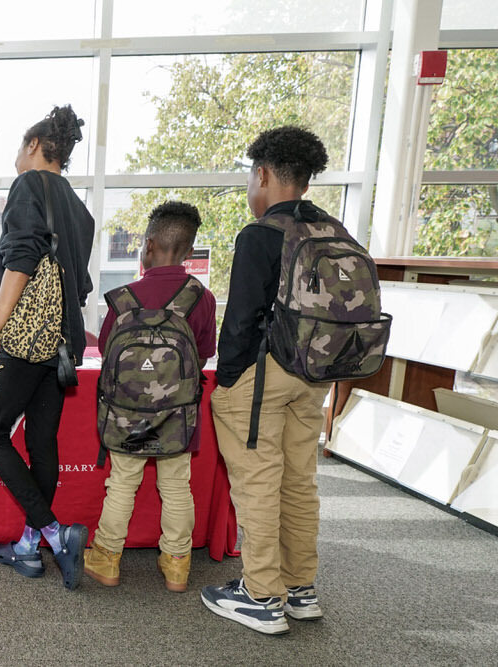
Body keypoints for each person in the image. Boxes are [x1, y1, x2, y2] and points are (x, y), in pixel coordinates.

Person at [201, 126, 332, 635]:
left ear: (262, 174)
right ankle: (300, 588)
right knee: (299, 481)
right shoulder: (332, 230)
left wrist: (228, 379)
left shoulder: (261, 234)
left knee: (257, 482)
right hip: (314, 373)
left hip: (262, 377)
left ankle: (260, 596)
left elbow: (240, 320)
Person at [0, 105, 95, 590]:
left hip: (24, 342)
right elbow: (78, 283)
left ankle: (54, 532)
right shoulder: (79, 208)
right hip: (62, 344)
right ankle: (28, 548)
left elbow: (20, 263)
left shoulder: (29, 186)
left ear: (32, 146)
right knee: (42, 442)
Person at [83, 201, 216, 591]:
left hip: (125, 414)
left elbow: (108, 353)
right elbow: (204, 354)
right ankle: (176, 564)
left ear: (148, 245)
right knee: (176, 485)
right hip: (178, 416)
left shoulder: (123, 298)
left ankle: (107, 559)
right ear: (189, 252)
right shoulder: (200, 298)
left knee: (122, 483)